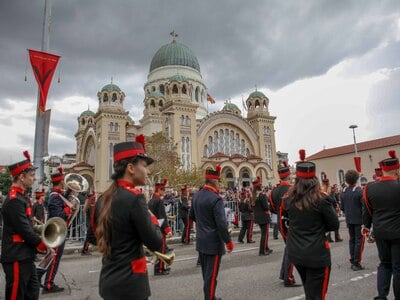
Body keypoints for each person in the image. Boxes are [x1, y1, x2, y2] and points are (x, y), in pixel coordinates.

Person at [96, 135, 163, 300]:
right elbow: (156, 242)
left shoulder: (102, 199)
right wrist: (153, 219)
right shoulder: (135, 199)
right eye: (145, 166)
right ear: (131, 168)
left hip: (108, 282)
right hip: (131, 285)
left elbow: (93, 236)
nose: (147, 171)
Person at [280, 149, 339, 299]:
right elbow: (334, 225)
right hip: (317, 254)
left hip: (296, 252)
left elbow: (285, 223)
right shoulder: (322, 199)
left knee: (310, 291)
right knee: (317, 294)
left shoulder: (288, 199)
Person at [1, 150, 47, 300]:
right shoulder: (14, 200)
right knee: (16, 296)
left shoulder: (22, 197)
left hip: (25, 255)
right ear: (21, 177)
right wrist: (43, 244)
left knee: (32, 292)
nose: (34, 179)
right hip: (16, 255)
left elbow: (29, 225)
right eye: (31, 176)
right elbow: (25, 231)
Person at [190, 165, 234, 300]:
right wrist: (228, 241)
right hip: (213, 243)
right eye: (218, 182)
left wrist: (203, 224)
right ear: (214, 182)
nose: (219, 184)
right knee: (212, 276)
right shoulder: (216, 199)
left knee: (206, 274)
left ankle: (211, 296)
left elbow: (191, 216)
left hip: (201, 241)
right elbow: (221, 224)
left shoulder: (196, 196)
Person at [363, 150, 400, 300]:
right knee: (398, 267)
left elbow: (367, 212)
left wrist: (367, 229)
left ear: (382, 169)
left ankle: (382, 296)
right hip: (398, 233)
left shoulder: (370, 188)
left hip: (380, 232)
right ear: (397, 169)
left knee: (384, 264)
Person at [270, 160, 300, 287]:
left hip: (281, 222)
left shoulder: (274, 191)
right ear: (289, 176)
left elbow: (272, 208)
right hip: (291, 222)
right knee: (292, 249)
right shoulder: (292, 190)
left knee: (288, 248)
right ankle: (288, 277)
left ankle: (284, 273)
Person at [40, 166, 70, 293]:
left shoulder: (57, 195)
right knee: (54, 259)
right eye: (63, 181)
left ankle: (48, 281)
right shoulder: (54, 197)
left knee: (54, 258)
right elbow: (59, 215)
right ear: (61, 182)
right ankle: (48, 284)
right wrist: (69, 209)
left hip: (58, 231)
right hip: (55, 233)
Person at [340, 169, 365, 271]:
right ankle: (356, 262)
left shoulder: (344, 192)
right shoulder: (359, 191)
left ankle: (353, 259)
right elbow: (364, 207)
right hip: (358, 220)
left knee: (352, 240)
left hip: (349, 219)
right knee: (359, 241)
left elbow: (342, 207)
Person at [148, 178, 173, 275]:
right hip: (160, 227)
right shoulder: (159, 201)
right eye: (163, 189)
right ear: (159, 190)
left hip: (154, 227)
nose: (165, 191)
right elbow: (162, 217)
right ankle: (159, 269)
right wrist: (167, 230)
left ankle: (159, 268)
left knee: (158, 249)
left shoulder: (151, 200)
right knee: (161, 249)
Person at [252, 176, 272, 256]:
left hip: (258, 217)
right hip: (264, 216)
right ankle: (262, 251)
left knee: (264, 233)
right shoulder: (262, 195)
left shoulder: (253, 195)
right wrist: (268, 204)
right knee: (265, 234)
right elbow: (266, 207)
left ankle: (266, 248)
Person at [322, 178, 343, 243]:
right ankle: (337, 237)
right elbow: (333, 199)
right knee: (335, 222)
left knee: (326, 223)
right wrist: (336, 204)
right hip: (332, 208)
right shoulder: (330, 189)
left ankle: (329, 238)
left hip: (324, 209)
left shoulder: (321, 190)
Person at [81, 191, 96, 255]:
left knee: (89, 237)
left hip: (91, 223)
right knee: (88, 238)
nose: (95, 199)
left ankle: (85, 250)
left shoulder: (91, 205)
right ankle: (84, 251)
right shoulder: (90, 206)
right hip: (90, 224)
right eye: (94, 198)